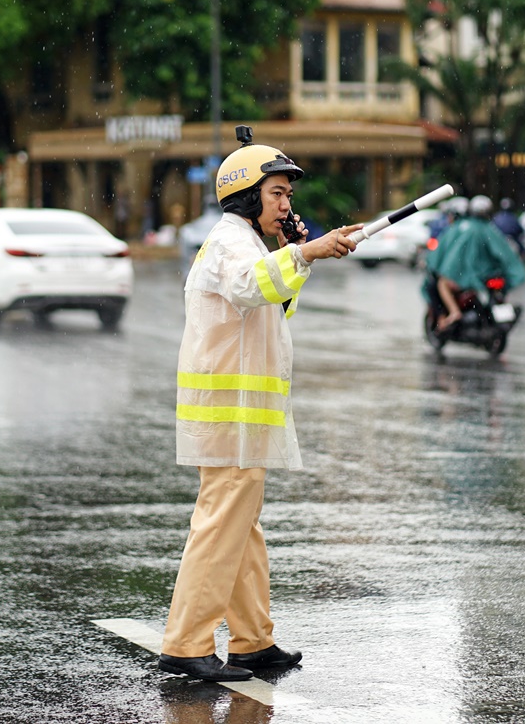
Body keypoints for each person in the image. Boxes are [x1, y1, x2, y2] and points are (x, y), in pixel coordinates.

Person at [159, 132, 363, 683]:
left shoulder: (251, 245)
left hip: (242, 418)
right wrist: (305, 250)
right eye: (276, 193)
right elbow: (251, 288)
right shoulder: (230, 243)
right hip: (228, 417)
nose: (286, 204)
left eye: (287, 195)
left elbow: (273, 306)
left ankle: (252, 643)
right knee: (222, 525)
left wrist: (297, 255)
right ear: (246, 196)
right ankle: (185, 643)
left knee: (239, 528)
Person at [427, 195, 525, 331]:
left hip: (467, 278)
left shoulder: (462, 229)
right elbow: (505, 253)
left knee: (442, 283)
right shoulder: (491, 230)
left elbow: (444, 255)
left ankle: (454, 312)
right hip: (487, 276)